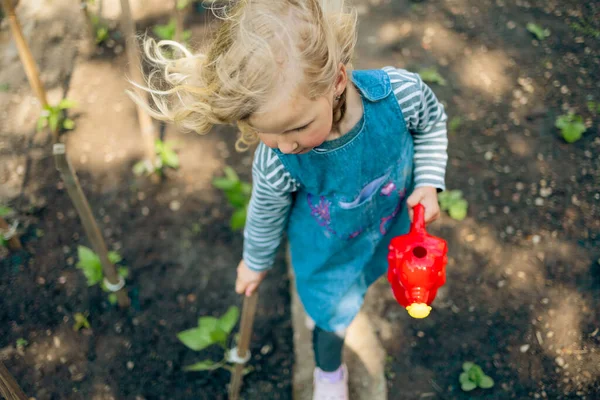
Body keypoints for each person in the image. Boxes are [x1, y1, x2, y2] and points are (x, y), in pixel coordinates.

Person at [130, 1, 448, 398]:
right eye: (268, 132)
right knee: (331, 316)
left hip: (388, 224)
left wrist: (429, 182)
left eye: (297, 127)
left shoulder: (400, 96)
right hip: (328, 252)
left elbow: (433, 124)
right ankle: (329, 375)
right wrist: (255, 261)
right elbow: (265, 213)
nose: (285, 145)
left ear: (336, 80)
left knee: (372, 275)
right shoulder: (277, 160)